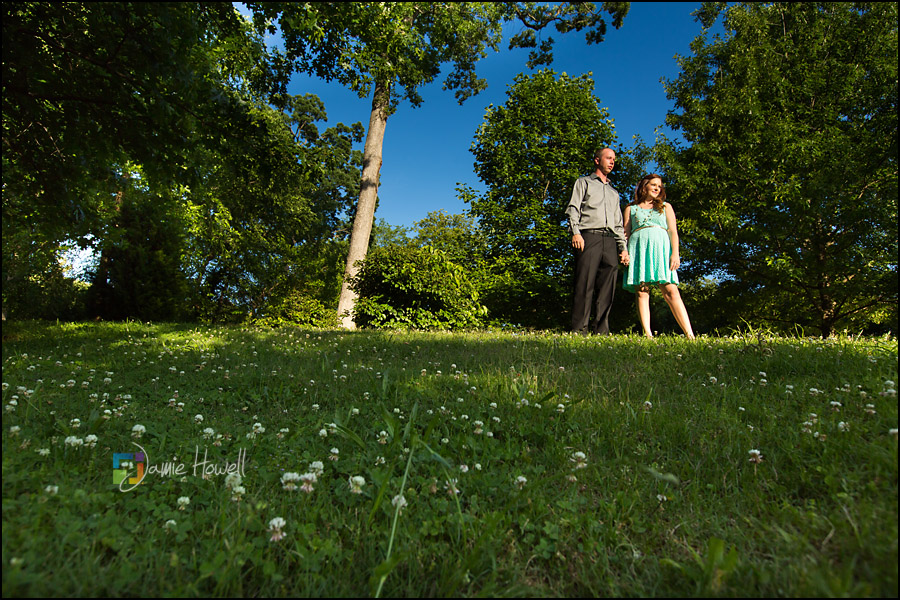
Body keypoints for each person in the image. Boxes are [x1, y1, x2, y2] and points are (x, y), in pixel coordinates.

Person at [622, 174, 695, 339]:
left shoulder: (666, 207)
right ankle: (648, 334)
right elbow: (625, 233)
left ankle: (690, 335)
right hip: (638, 249)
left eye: (660, 186)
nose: (657, 188)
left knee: (671, 290)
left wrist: (675, 253)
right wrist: (624, 251)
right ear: (644, 186)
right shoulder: (630, 208)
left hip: (661, 251)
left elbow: (673, 231)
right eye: (654, 185)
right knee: (642, 290)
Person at [566, 148, 630, 335]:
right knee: (584, 284)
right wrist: (576, 233)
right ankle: (579, 329)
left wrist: (623, 248)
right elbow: (573, 209)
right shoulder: (583, 182)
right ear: (597, 160)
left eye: (614, 159)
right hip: (588, 237)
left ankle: (601, 330)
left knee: (607, 288)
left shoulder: (613, 192)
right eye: (608, 158)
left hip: (610, 240)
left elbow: (618, 224)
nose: (612, 162)